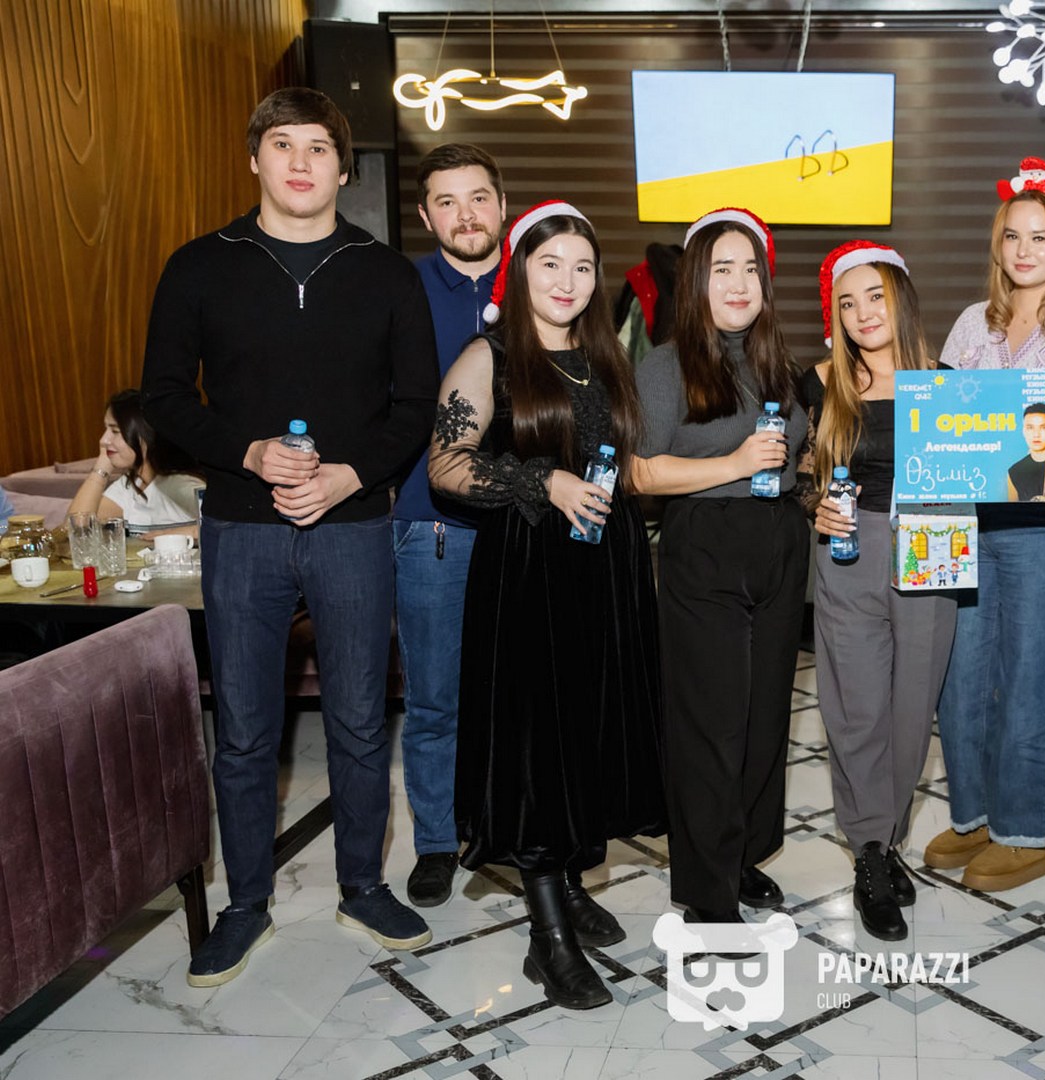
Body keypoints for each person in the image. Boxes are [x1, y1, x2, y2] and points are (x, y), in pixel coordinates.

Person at [141, 87, 439, 987]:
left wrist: (351, 475)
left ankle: (362, 887)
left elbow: (414, 407)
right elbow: (163, 397)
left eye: (319, 147)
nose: (301, 161)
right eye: (282, 144)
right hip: (241, 526)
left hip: (352, 526)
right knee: (242, 731)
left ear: (344, 168)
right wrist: (247, 451)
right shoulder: (200, 265)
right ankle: (245, 904)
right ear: (254, 159)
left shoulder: (384, 273)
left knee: (359, 721)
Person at [428, 200, 666, 1009]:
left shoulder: (604, 358)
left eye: (581, 266)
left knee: (585, 736)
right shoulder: (488, 357)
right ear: (519, 270)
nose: (567, 280)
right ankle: (547, 937)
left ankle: (567, 885)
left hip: (604, 569)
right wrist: (543, 480)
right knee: (537, 744)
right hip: (529, 573)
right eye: (549, 264)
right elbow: (446, 465)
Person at [923, 158, 1045, 892]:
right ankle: (974, 816)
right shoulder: (971, 323)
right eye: (1013, 236)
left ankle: (1024, 832)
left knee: (1029, 676)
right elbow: (941, 425)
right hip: (962, 524)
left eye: (1040, 236)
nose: (1025, 249)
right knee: (960, 677)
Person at [633, 207, 808, 924]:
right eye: (721, 269)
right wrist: (733, 463)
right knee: (712, 724)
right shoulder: (665, 364)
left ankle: (740, 856)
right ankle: (707, 894)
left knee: (764, 717)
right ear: (696, 282)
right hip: (705, 544)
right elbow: (639, 473)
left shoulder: (775, 362)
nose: (738, 284)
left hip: (778, 541)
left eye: (750, 269)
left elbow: (795, 456)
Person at [802, 240, 955, 941]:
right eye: (847, 302)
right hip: (850, 551)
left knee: (910, 710)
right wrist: (814, 504)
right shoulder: (820, 381)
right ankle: (868, 852)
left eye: (875, 296)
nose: (863, 313)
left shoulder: (947, 384)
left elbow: (1001, 467)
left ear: (901, 299)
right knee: (855, 708)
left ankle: (887, 840)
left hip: (933, 542)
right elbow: (797, 469)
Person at [391, 143, 507, 908]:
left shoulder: (542, 280)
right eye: (446, 201)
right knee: (434, 697)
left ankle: (504, 827)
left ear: (502, 204)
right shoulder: (397, 290)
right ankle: (436, 840)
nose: (465, 215)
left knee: (517, 693)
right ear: (426, 215)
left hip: (527, 523)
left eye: (478, 197)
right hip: (430, 524)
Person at [69, 389, 204, 535]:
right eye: (106, 430)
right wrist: (103, 465)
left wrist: (174, 534)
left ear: (144, 436)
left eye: (115, 431)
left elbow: (221, 528)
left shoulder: (183, 485)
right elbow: (78, 528)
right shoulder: (131, 484)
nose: (103, 440)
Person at [1006, 403, 1045, 501]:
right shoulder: (1015, 471)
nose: (1036, 434)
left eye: (1043, 428)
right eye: (1030, 428)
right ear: (1023, 431)